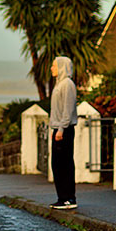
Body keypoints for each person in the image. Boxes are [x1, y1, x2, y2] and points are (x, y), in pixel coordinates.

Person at [49, 56, 78, 209]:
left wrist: (60, 129)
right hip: (58, 129)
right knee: (57, 165)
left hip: (64, 130)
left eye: (54, 66)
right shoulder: (59, 84)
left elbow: (68, 110)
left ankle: (69, 199)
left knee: (64, 164)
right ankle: (62, 197)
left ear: (61, 67)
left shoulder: (67, 84)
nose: (51, 68)